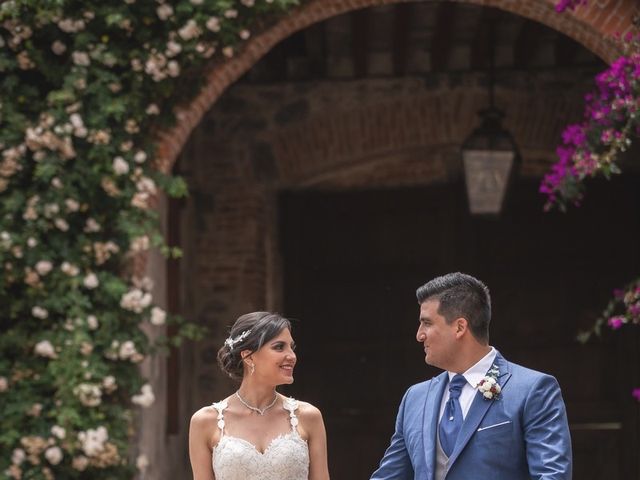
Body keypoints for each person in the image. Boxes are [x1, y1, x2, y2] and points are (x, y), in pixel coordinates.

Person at [371, 272, 572, 480]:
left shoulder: (532, 390)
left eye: (427, 323)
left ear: (459, 327)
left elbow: (552, 476)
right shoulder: (414, 398)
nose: (419, 334)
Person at [189, 311, 330, 480]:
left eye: (292, 348)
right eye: (279, 347)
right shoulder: (205, 421)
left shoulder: (308, 416)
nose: (291, 356)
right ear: (248, 356)